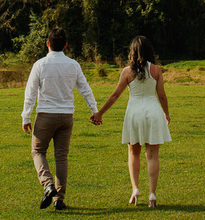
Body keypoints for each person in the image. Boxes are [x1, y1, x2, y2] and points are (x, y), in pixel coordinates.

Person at [21, 28, 101, 211]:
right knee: (61, 157)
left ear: (47, 43)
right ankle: (59, 199)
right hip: (66, 116)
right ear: (65, 45)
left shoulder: (40, 65)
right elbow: (85, 89)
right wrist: (94, 110)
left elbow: (30, 93)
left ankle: (48, 184)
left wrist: (26, 116)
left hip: (45, 116)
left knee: (38, 151)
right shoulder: (73, 65)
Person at [91, 35, 172, 208]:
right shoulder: (156, 70)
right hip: (153, 112)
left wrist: (100, 113)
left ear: (132, 52)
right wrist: (166, 114)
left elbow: (115, 95)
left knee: (133, 152)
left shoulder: (127, 72)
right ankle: (152, 194)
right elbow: (162, 95)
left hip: (134, 113)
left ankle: (135, 189)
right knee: (152, 154)